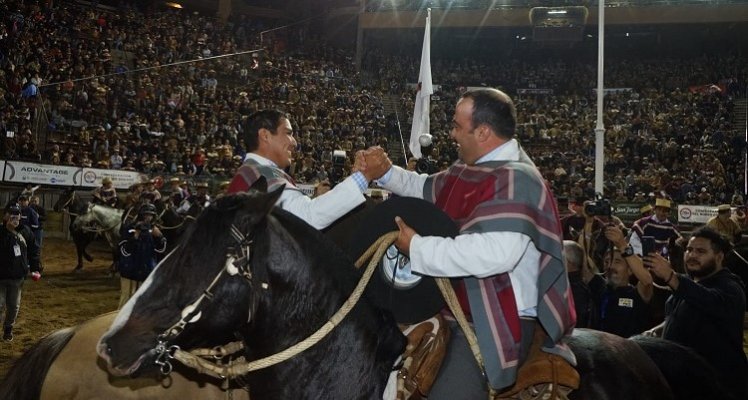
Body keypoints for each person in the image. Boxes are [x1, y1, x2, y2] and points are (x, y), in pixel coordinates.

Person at [361, 88, 576, 397]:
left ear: (484, 132)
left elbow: (494, 255)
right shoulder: (469, 170)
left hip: (493, 317)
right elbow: (425, 188)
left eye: (457, 127)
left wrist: (418, 248)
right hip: (452, 305)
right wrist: (385, 173)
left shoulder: (520, 181)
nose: (451, 134)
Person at [227, 110, 383, 230]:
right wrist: (364, 176)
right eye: (288, 133)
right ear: (265, 135)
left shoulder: (250, 172)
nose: (294, 142)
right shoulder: (262, 174)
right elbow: (308, 216)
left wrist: (316, 199)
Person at [643, 227, 747, 399]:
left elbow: (708, 302)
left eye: (701, 251)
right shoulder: (685, 287)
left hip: (719, 388)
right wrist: (660, 329)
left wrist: (671, 277)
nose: (691, 255)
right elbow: (686, 312)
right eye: (689, 250)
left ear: (719, 257)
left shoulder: (731, 287)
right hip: (684, 385)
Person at [593, 225, 654, 338]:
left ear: (630, 270)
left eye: (617, 261)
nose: (610, 266)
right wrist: (589, 222)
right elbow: (581, 262)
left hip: (629, 352)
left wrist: (622, 245)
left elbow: (647, 281)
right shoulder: (598, 287)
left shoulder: (638, 293)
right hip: (600, 350)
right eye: (606, 262)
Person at [0, 204, 41, 341]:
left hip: (17, 277)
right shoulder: (1, 232)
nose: (15, 216)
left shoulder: (26, 231)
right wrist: (8, 230)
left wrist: (35, 268)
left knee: (13, 306)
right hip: (0, 276)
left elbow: (34, 251)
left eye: (17, 213)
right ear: (5, 215)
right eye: (12, 213)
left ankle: (8, 328)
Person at [117, 203, 166, 308]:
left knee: (144, 301)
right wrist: (135, 237)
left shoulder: (155, 230)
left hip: (147, 271)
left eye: (150, 215)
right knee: (127, 300)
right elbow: (124, 251)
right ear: (141, 215)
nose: (148, 218)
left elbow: (161, 250)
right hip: (130, 271)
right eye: (145, 215)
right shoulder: (130, 228)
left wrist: (159, 237)